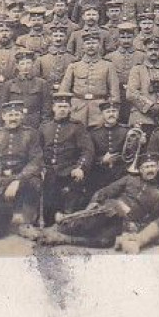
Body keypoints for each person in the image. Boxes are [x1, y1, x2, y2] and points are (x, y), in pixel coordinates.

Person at [38, 151, 159, 249]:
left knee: (105, 241)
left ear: (158, 168)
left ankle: (64, 239)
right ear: (140, 169)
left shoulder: (158, 194)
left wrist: (137, 227)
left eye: (153, 166)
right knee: (85, 223)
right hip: (110, 209)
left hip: (124, 222)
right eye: (146, 167)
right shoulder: (130, 179)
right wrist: (93, 203)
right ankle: (52, 230)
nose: (150, 170)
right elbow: (105, 191)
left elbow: (153, 219)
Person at [0, 99, 43, 241]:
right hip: (0, 181)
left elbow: (36, 161)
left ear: (22, 116)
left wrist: (18, 180)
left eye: (17, 115)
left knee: (35, 181)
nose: (13, 118)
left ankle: (27, 223)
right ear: (3, 117)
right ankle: (4, 216)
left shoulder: (31, 134)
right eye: (10, 115)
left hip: (23, 181)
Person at [33, 91, 94, 228]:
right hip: (48, 172)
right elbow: (37, 151)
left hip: (68, 171)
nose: (62, 109)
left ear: (70, 109)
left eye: (65, 106)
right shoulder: (44, 127)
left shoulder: (77, 127)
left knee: (68, 210)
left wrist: (80, 167)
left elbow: (87, 150)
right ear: (53, 108)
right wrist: (40, 167)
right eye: (59, 106)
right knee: (47, 215)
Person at [59, 28, 121, 129]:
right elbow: (64, 91)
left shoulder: (108, 66)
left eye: (94, 43)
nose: (91, 46)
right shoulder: (74, 66)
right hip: (77, 108)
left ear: (100, 46)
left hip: (99, 109)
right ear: (83, 47)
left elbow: (114, 93)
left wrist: (110, 112)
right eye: (88, 43)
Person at [126, 36, 159, 128]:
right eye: (150, 49)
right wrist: (149, 105)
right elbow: (131, 92)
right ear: (145, 49)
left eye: (156, 49)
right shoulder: (137, 69)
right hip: (141, 116)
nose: (153, 52)